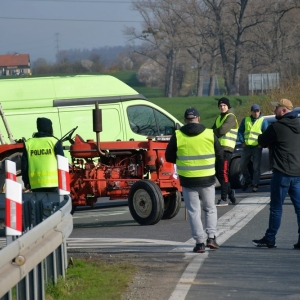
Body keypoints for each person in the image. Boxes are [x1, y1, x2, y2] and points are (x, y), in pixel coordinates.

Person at [165, 107, 223, 253]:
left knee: (193, 211)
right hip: (207, 178)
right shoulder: (209, 133)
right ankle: (211, 237)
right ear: (198, 118)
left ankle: (199, 243)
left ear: (185, 121)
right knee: (210, 208)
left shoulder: (178, 135)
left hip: (188, 179)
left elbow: (169, 156)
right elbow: (220, 154)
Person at [253, 99, 300, 249]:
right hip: (298, 173)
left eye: (276, 108)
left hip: (282, 173)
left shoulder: (277, 127)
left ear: (284, 110)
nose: (274, 111)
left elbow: (261, 140)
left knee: (276, 208)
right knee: (299, 208)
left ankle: (270, 238)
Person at [21, 117, 64, 192]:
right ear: (49, 128)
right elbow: (62, 162)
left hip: (36, 184)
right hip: (53, 184)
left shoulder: (29, 143)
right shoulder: (54, 141)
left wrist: (26, 181)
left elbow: (24, 165)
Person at [212, 97, 238, 206]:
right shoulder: (219, 118)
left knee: (223, 173)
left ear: (228, 106)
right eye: (220, 106)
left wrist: (215, 132)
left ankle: (224, 199)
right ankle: (230, 192)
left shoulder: (231, 117)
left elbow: (221, 130)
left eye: (224, 105)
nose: (222, 107)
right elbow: (211, 131)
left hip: (227, 149)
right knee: (218, 173)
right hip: (218, 149)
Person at [237, 104, 269, 192]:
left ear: (259, 111)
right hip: (247, 147)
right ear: (251, 112)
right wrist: (242, 141)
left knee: (256, 167)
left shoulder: (263, 121)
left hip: (257, 147)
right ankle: (248, 181)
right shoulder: (245, 120)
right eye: (254, 111)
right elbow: (240, 131)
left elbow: (265, 134)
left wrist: (262, 144)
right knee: (242, 165)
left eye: (257, 111)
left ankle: (255, 185)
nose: (256, 113)